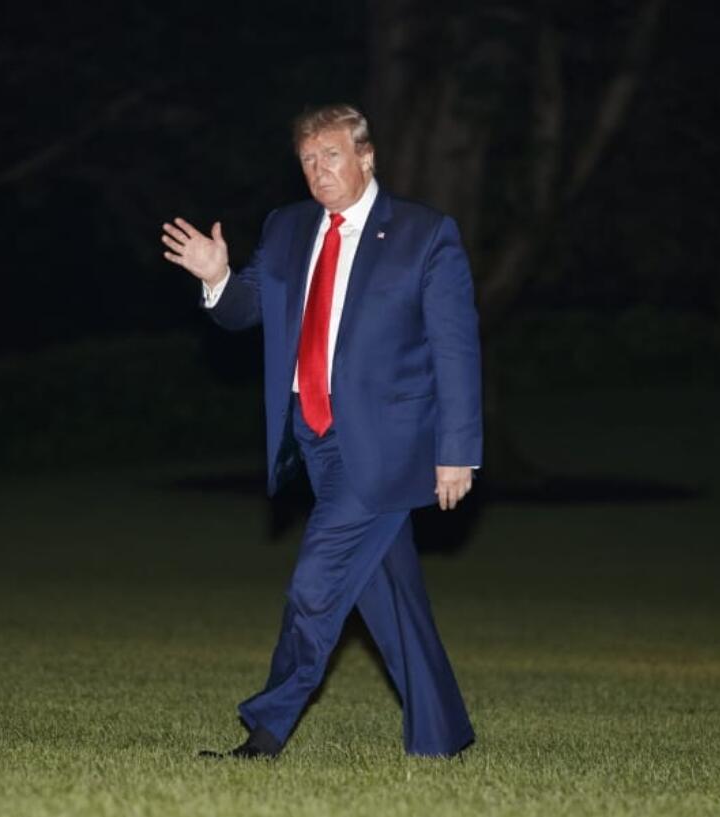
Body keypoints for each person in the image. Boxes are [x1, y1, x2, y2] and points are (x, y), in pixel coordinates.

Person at [160, 103, 482, 759]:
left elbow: (456, 350)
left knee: (315, 584)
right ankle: (441, 735)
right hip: (315, 439)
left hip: (387, 446)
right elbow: (250, 308)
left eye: (331, 155)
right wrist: (217, 276)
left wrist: (458, 452)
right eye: (308, 159)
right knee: (388, 592)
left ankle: (266, 729)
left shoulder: (425, 234)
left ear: (366, 156)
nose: (318, 170)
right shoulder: (287, 227)